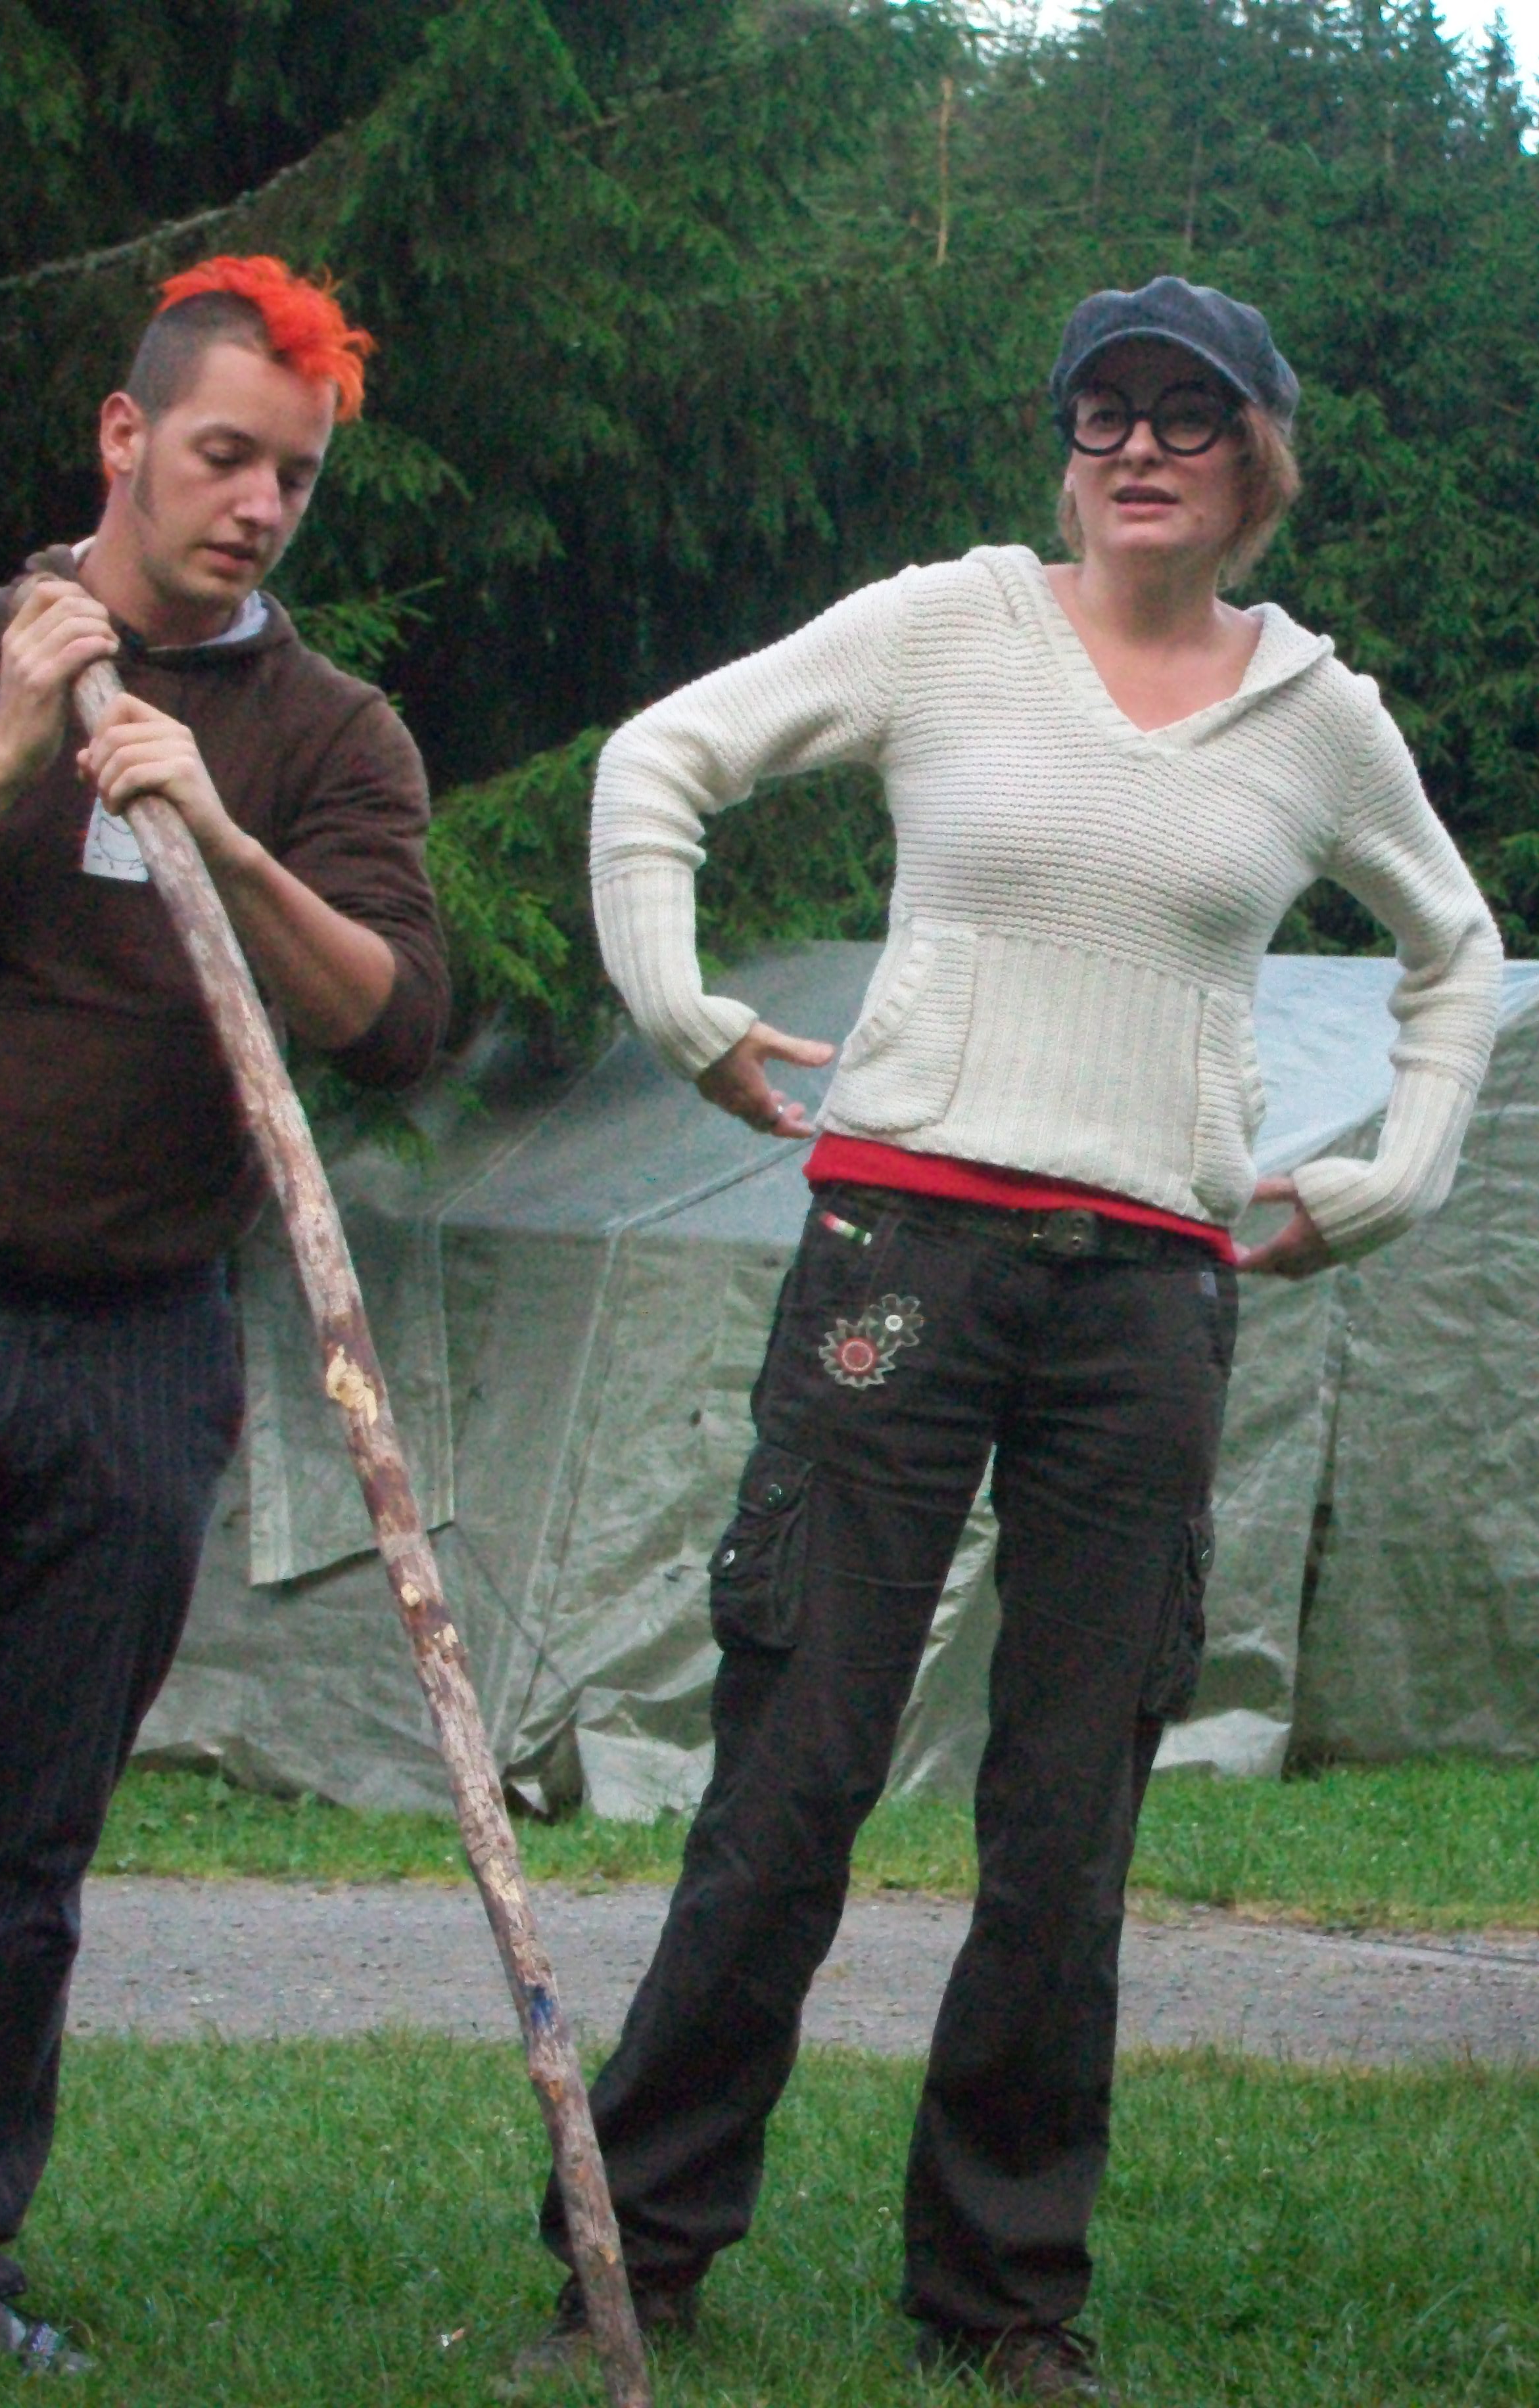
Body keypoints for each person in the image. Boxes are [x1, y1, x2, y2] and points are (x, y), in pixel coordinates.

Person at [512, 278, 1501, 2402]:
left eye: (1187, 414)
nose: (1135, 445)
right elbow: (660, 759)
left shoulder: (1320, 719)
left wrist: (1390, 1178)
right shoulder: (942, 626)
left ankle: (1001, 2300)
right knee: (794, 1770)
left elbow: (1455, 952)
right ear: (1063, 451)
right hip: (899, 1250)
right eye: (1098, 411)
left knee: (1065, 1819)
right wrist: (678, 1009)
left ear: (1257, 460)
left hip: (1149, 1294)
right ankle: (632, 2264)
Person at [0, 254, 447, 2386]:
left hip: (144, 1345)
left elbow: (398, 1022)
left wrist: (218, 833)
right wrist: (3, 760)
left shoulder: (327, 735)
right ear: (125, 437)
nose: (259, 506)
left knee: (25, 1855)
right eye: (224, 455)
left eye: (295, 477)